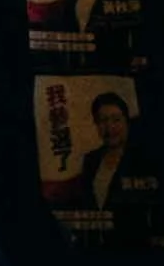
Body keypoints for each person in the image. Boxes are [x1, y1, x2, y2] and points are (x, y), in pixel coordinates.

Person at [53, 83, 151, 221]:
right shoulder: (91, 159)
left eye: (116, 120)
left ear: (127, 122)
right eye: (103, 120)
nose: (109, 127)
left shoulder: (142, 159)